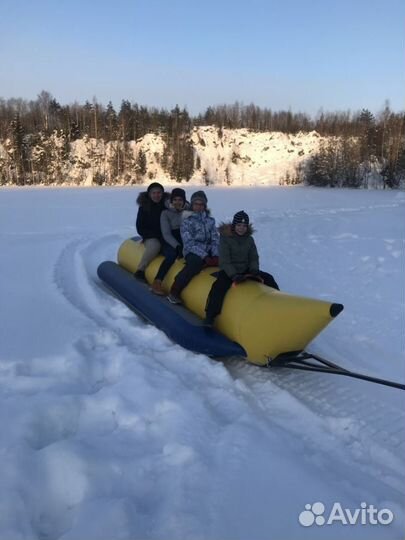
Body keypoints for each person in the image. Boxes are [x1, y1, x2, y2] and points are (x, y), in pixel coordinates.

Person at [204, 210, 279, 327]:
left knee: (269, 278)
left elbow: (253, 257)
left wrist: (254, 269)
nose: (241, 228)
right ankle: (210, 316)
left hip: (246, 269)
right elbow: (225, 260)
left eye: (244, 226)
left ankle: (277, 304)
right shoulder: (225, 239)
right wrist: (233, 275)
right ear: (234, 225)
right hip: (229, 270)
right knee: (218, 287)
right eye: (239, 225)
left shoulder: (249, 240)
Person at [167, 190, 219, 304]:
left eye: (201, 204)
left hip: (209, 250)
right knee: (195, 263)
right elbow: (189, 243)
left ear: (205, 206)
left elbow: (215, 239)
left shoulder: (210, 221)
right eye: (196, 204)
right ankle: (174, 291)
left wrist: (215, 255)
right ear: (192, 205)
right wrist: (204, 256)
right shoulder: (186, 221)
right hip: (192, 251)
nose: (199, 207)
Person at [150, 187, 189, 295]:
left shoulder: (188, 211)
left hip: (184, 239)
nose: (177, 202)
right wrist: (177, 246)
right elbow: (166, 233)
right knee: (171, 255)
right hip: (169, 240)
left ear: (184, 201)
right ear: (171, 201)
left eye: (180, 200)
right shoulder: (165, 213)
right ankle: (157, 282)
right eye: (175, 200)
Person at [135, 182, 169, 281]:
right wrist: (152, 235)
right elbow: (140, 227)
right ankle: (140, 270)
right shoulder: (144, 207)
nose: (156, 195)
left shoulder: (167, 205)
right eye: (153, 193)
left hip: (166, 236)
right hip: (151, 237)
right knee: (155, 245)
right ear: (149, 194)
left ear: (162, 194)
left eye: (159, 193)